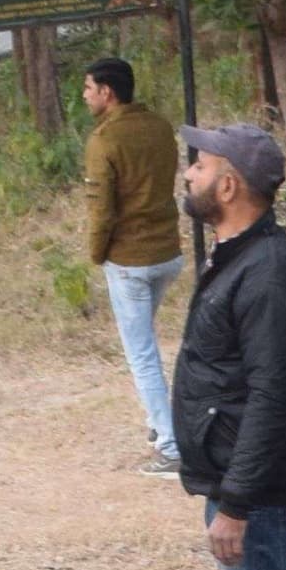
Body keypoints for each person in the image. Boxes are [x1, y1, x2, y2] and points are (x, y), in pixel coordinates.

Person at [169, 123, 286, 570]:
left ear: (229, 185)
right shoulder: (239, 258)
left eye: (200, 165)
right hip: (249, 497)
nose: (188, 174)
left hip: (262, 506)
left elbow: (273, 395)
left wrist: (237, 505)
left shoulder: (269, 273)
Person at [81, 54, 184, 477]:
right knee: (145, 344)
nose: (85, 96)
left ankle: (171, 443)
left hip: (129, 260)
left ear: (107, 92)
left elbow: (101, 209)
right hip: (167, 254)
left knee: (141, 354)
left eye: (88, 88)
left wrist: (96, 252)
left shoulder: (104, 141)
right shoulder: (160, 127)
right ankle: (158, 423)